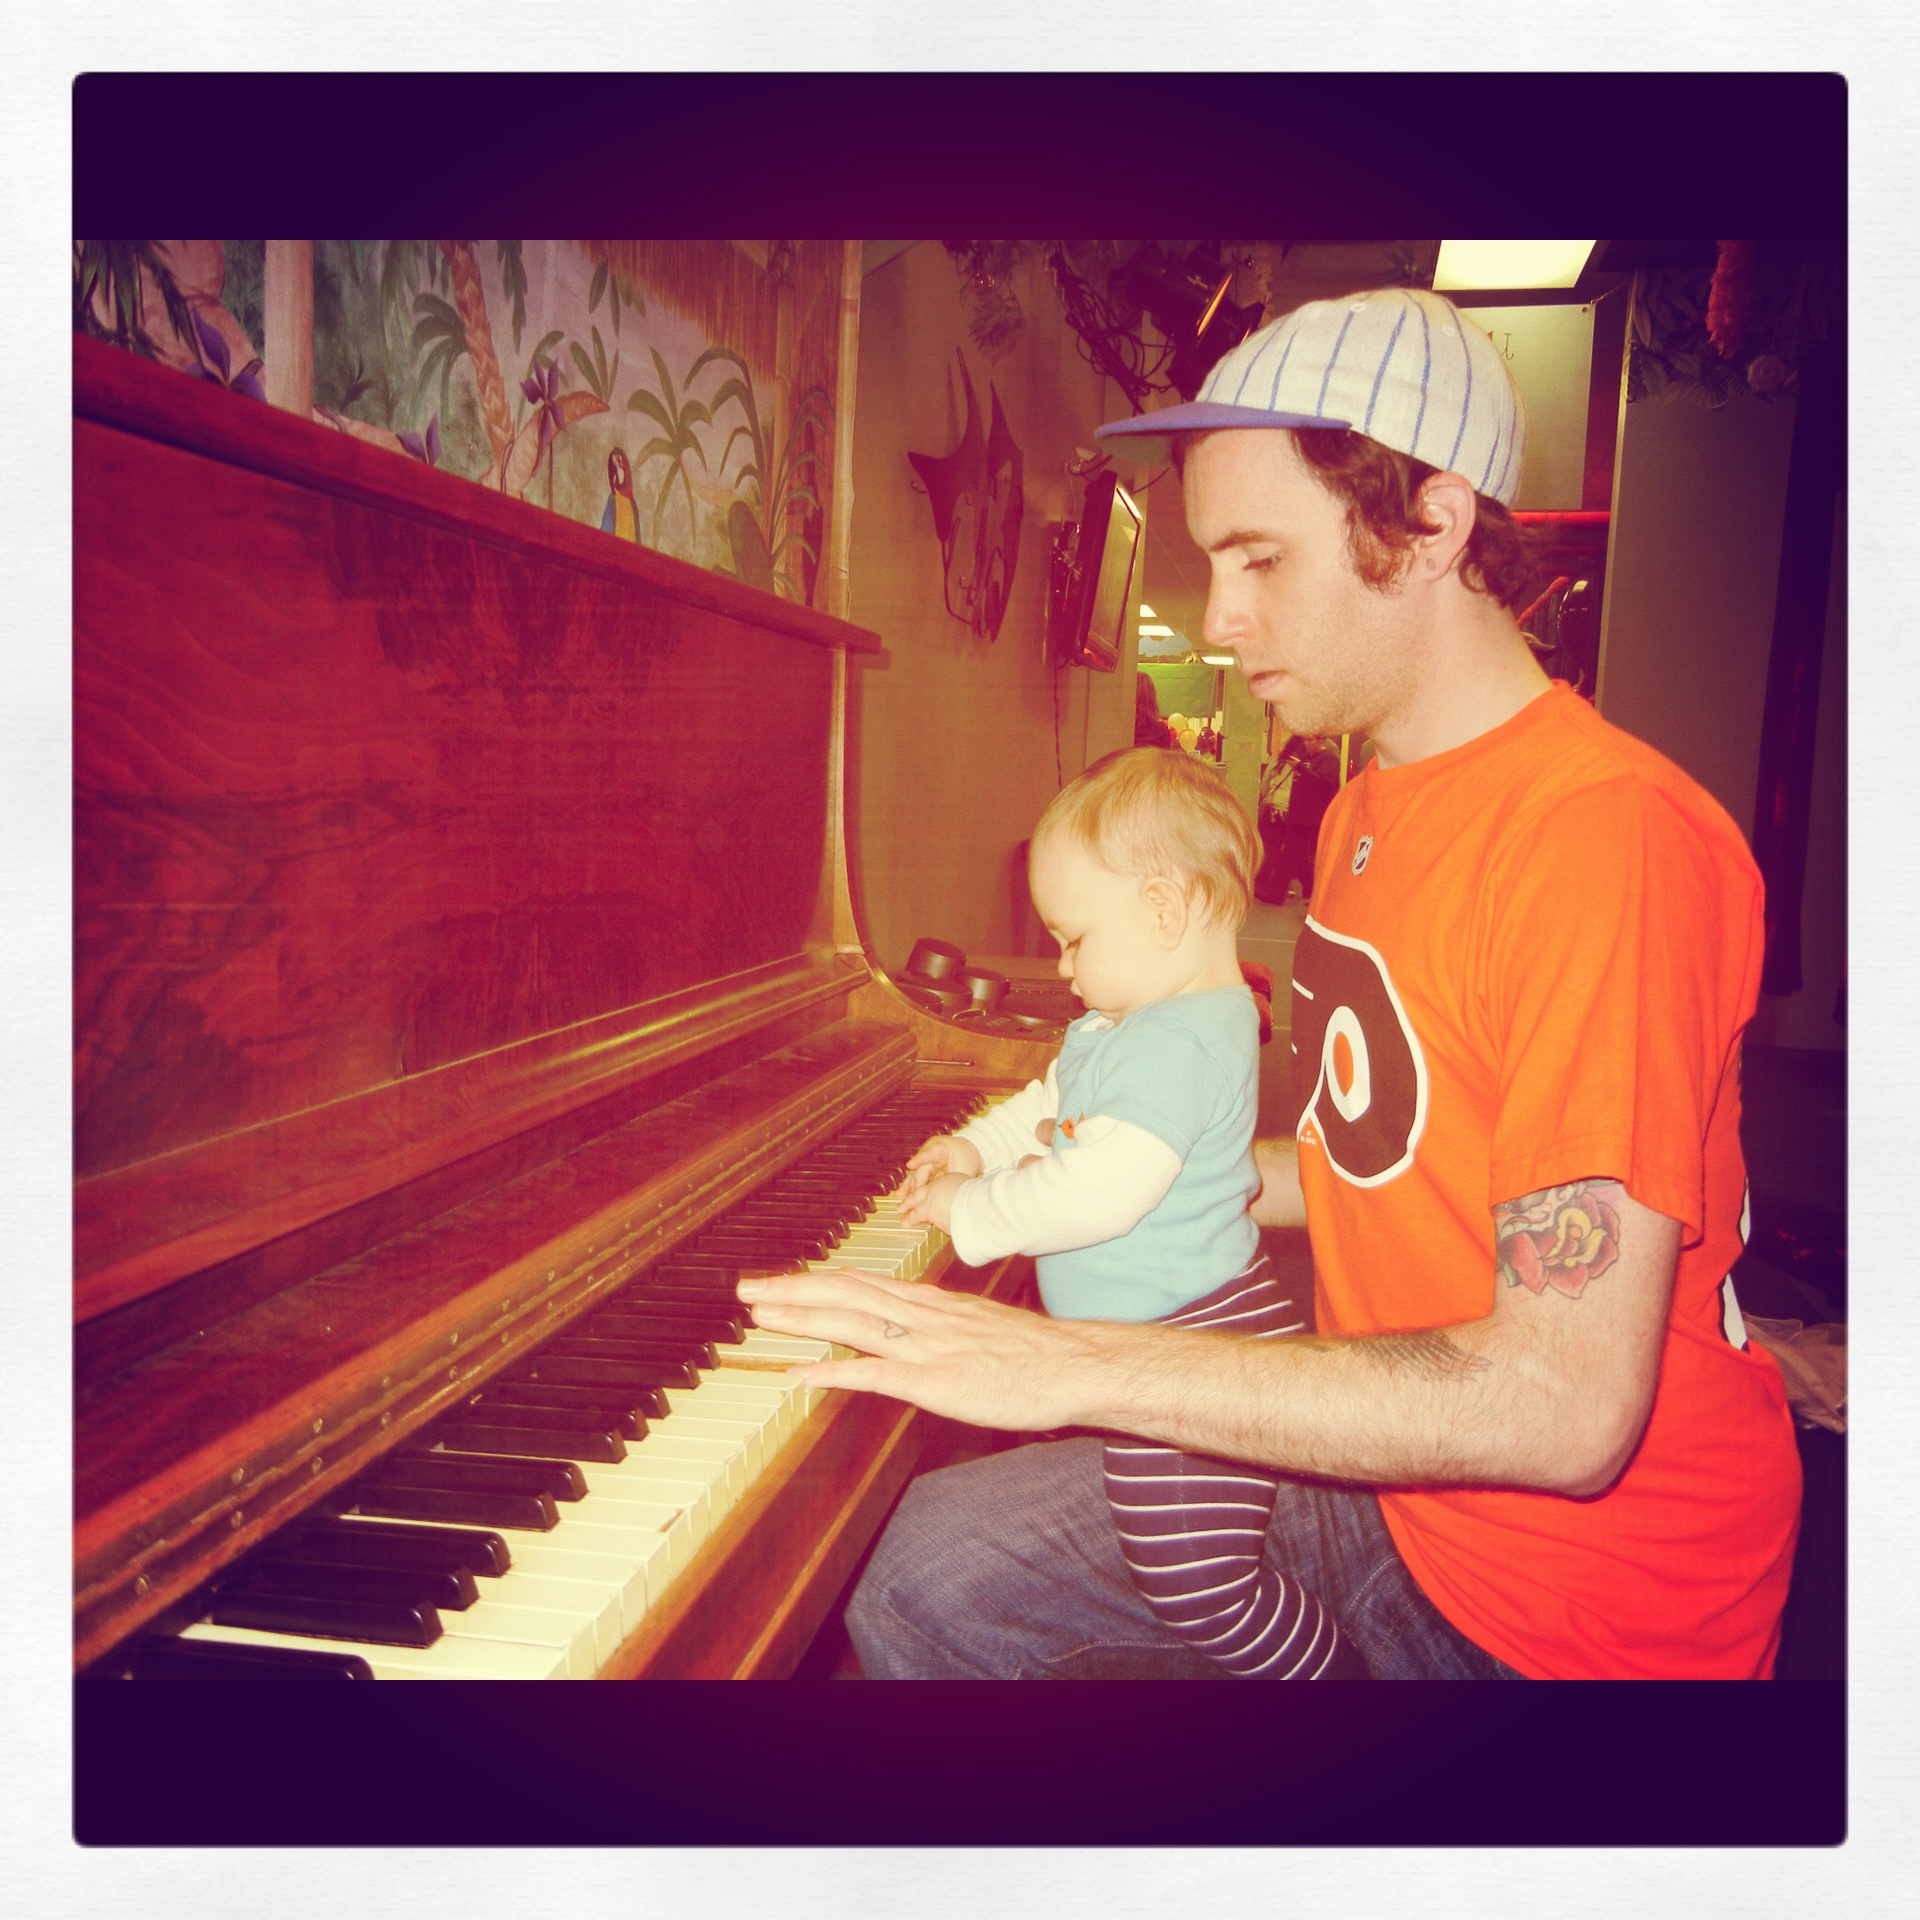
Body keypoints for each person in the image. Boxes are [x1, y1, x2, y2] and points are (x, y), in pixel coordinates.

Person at [740, 284, 1802, 1681]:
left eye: (1260, 559)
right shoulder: (1369, 809)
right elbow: (1384, 1156)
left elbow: (1564, 1408)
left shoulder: (1605, 840)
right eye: (1209, 561)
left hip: (1573, 1608)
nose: (1220, 616)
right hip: (1400, 1485)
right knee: (930, 1573)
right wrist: (1139, 1157)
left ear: (1434, 525)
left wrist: (1072, 1365)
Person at [897, 747, 1366, 1680]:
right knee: (1176, 1561)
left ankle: (1328, 1677)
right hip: (1160, 1330)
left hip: (1192, 1340)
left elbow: (1097, 1189)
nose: (1062, 964)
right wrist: (979, 1148)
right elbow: (1054, 1100)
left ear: (1162, 910)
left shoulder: (1183, 1044)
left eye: (1074, 939)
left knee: (1198, 1586)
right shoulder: (1131, 1022)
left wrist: (969, 1209)